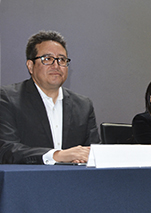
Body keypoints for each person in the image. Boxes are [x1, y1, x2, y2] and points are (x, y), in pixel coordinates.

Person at [0, 30, 99, 164]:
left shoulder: (83, 105)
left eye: (62, 60)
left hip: (75, 182)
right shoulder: (7, 98)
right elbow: (6, 149)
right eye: (47, 59)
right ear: (30, 66)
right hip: (26, 181)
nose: (56, 65)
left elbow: (94, 153)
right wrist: (56, 156)